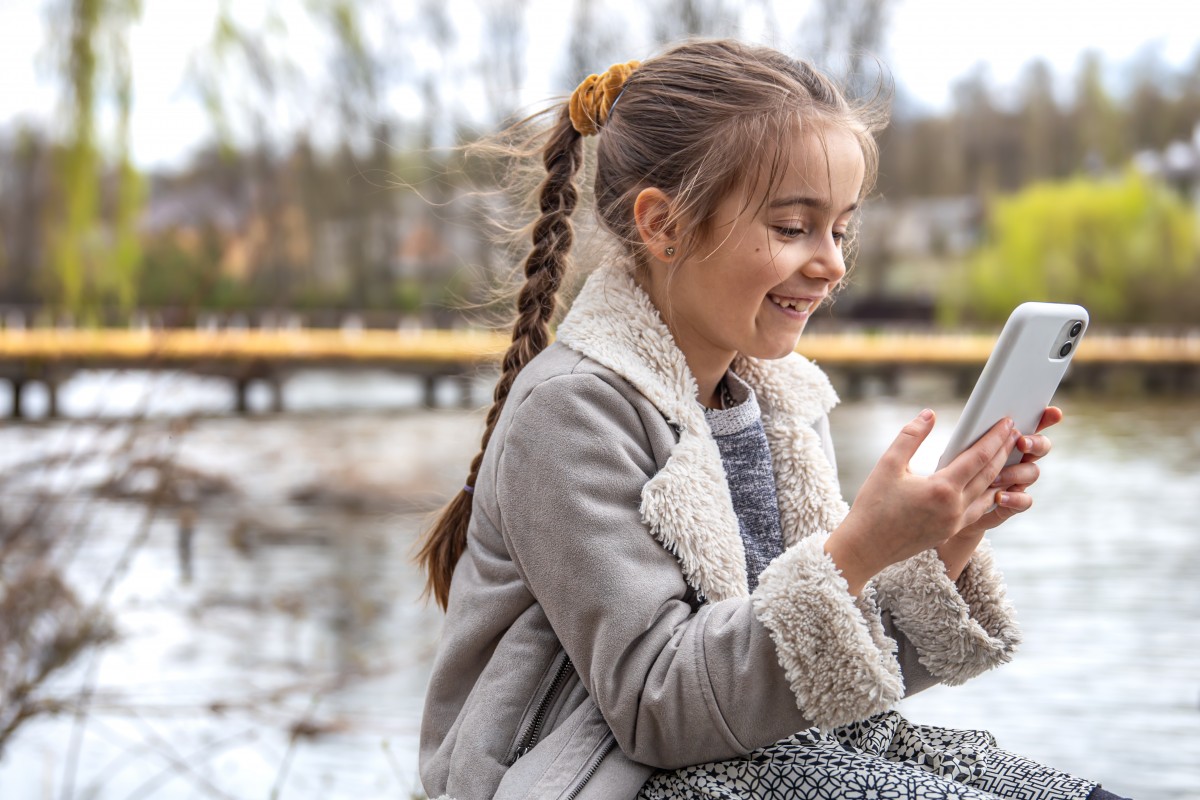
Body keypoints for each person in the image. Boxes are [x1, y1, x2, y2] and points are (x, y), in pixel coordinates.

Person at [416, 39, 1128, 800]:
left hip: (760, 751)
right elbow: (658, 708)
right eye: (793, 227)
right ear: (663, 226)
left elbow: (814, 671)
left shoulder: (781, 398)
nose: (832, 264)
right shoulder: (569, 414)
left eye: (841, 230)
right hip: (593, 772)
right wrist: (857, 549)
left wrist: (943, 541)